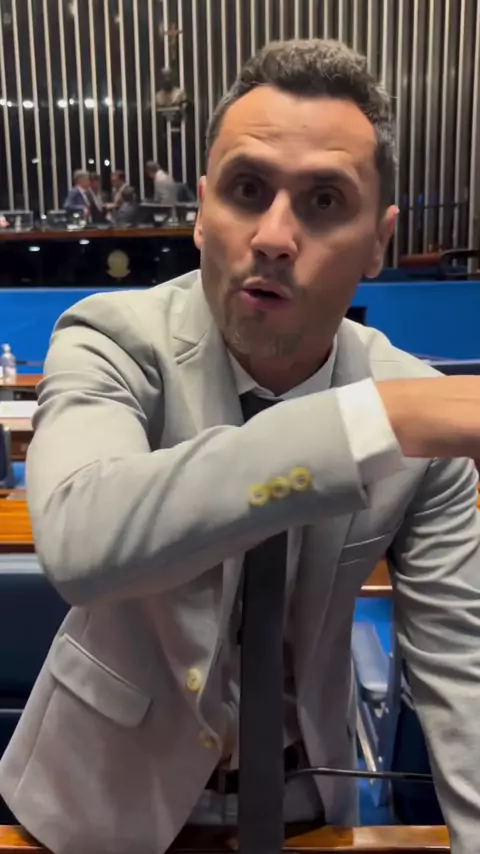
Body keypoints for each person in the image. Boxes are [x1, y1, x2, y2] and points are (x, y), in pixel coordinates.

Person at [1, 38, 480, 854]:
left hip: (304, 804)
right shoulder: (110, 338)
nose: (274, 235)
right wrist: (372, 424)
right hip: (92, 806)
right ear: (201, 209)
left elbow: (462, 667)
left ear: (379, 241)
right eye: (247, 189)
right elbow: (80, 539)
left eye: (325, 200)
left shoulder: (414, 412)